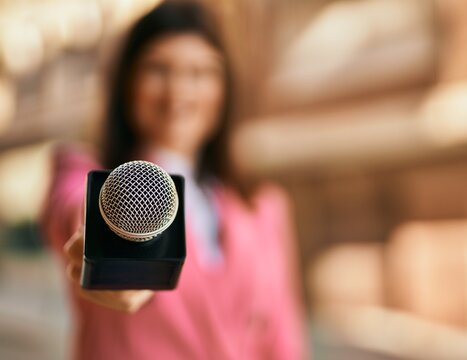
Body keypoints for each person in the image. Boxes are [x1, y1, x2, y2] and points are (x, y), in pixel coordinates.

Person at [40, 1, 305, 359]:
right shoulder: (83, 170)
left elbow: (283, 338)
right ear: (127, 82)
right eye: (158, 69)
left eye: (200, 72)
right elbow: (73, 209)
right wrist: (101, 250)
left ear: (224, 88)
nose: (179, 92)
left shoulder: (263, 206)